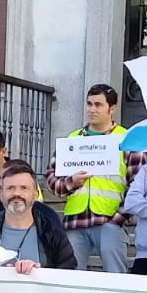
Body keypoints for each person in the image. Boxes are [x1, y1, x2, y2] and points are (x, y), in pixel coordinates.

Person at [46, 84, 129, 272]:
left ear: (112, 108)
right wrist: (70, 183)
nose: (92, 109)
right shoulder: (72, 138)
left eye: (98, 105)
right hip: (75, 219)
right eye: (89, 104)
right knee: (70, 279)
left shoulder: (126, 139)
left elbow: (138, 182)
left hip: (109, 220)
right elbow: (51, 177)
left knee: (116, 281)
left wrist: (120, 217)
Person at [0, 160, 76, 272]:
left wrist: (39, 273)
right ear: (1, 194)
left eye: (24, 188)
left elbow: (69, 270)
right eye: (11, 188)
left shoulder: (50, 231)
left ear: (35, 194)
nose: (16, 193)